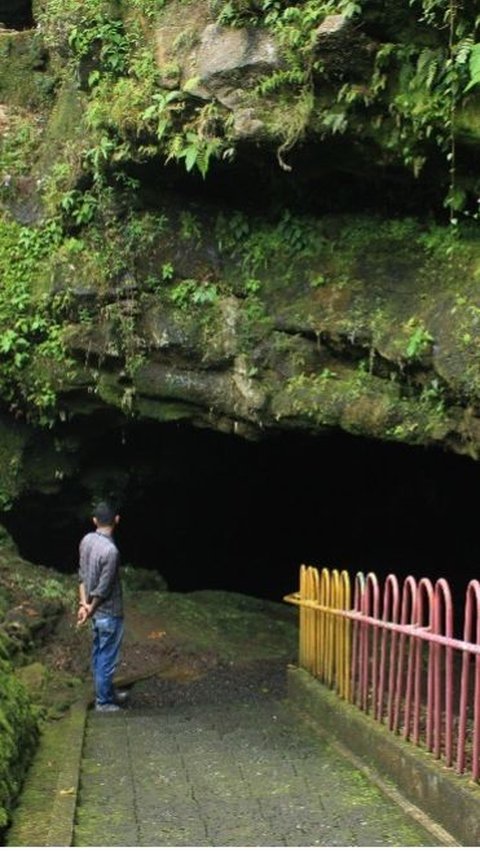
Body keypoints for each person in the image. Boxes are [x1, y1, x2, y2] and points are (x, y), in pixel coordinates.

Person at [77, 501, 127, 712]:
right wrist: (91, 608)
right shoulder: (111, 551)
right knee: (107, 657)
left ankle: (106, 692)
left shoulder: (86, 540)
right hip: (108, 613)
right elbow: (103, 589)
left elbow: (81, 574)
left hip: (95, 611)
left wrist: (84, 604)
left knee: (99, 653)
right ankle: (103, 702)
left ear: (95, 520)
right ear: (117, 520)